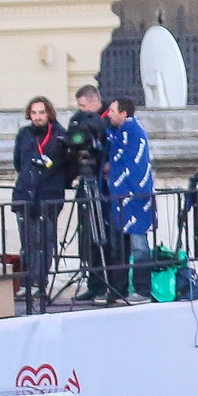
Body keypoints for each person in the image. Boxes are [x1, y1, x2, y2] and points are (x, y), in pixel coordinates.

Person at [11, 95, 72, 307]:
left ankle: (40, 282)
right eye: (34, 113)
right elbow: (18, 162)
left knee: (45, 242)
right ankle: (28, 283)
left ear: (49, 114)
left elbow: (68, 166)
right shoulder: (24, 134)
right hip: (25, 195)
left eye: (41, 113)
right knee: (28, 242)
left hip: (49, 195)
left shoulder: (59, 136)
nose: (37, 117)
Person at [103, 95, 157, 297]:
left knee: (139, 246)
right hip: (119, 199)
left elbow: (135, 165)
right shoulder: (117, 133)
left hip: (135, 200)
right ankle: (119, 288)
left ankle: (143, 289)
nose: (108, 115)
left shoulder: (134, 133)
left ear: (124, 113)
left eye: (112, 111)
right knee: (119, 246)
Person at [67, 86, 117, 300]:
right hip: (86, 182)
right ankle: (94, 283)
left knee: (107, 237)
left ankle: (111, 285)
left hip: (106, 188)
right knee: (88, 236)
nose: (82, 110)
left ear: (94, 101)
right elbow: (71, 142)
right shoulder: (78, 120)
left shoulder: (110, 118)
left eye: (83, 106)